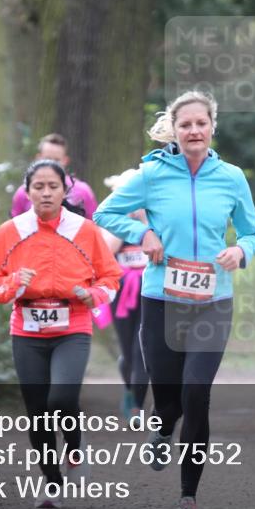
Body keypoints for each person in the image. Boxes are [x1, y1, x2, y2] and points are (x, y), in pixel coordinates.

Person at [94, 90, 255, 509]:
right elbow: (103, 213)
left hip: (212, 301)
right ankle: (164, 426)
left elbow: (251, 232)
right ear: (175, 128)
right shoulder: (151, 174)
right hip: (161, 299)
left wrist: (239, 252)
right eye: (185, 124)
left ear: (212, 127)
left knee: (196, 394)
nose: (193, 131)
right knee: (168, 399)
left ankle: (188, 499)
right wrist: (142, 233)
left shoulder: (232, 177)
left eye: (200, 123)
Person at [0, 159, 121, 509]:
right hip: (26, 329)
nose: (46, 192)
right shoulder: (9, 232)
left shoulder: (84, 230)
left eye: (53, 186)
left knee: (61, 400)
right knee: (38, 411)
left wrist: (94, 296)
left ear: (65, 191)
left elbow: (110, 278)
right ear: (27, 192)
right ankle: (52, 482)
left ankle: (74, 448)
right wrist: (14, 283)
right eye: (38, 186)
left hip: (72, 325)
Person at [101, 169, 151, 422]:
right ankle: (130, 390)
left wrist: (143, 220)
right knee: (128, 353)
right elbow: (105, 251)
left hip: (150, 292)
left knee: (141, 347)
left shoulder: (152, 219)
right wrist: (125, 222)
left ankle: (136, 408)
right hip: (120, 293)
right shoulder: (110, 221)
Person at [10, 133, 98, 219]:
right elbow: (15, 227)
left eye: (56, 160)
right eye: (47, 159)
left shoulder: (82, 190)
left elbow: (93, 224)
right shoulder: (23, 192)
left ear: (65, 160)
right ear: (38, 158)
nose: (51, 165)